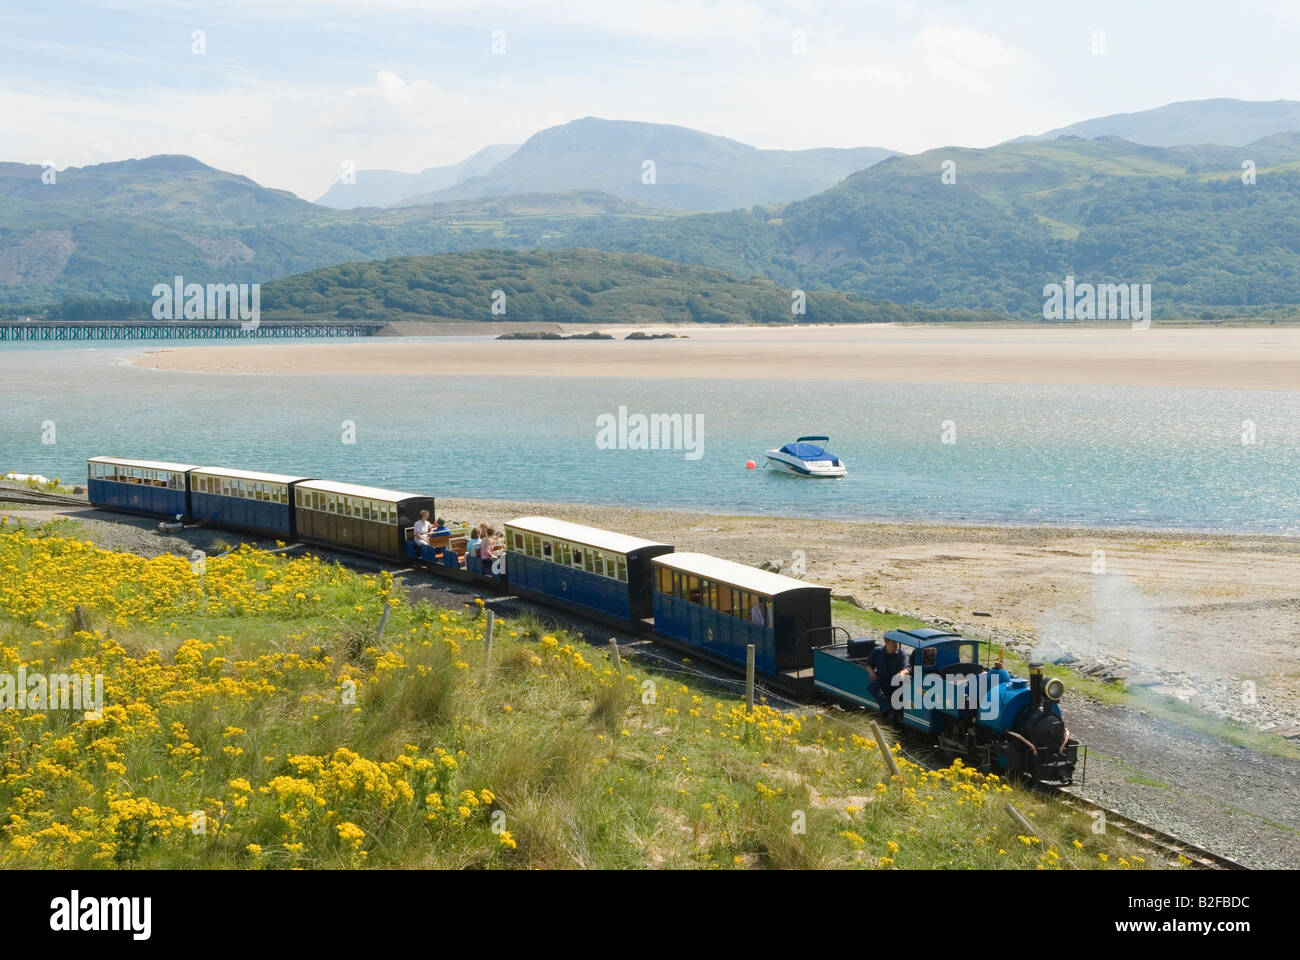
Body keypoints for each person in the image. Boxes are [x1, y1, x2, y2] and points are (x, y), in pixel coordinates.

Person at [865, 636, 911, 716]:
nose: (896, 644)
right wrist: (871, 672)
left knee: (902, 690)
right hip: (882, 679)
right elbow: (868, 664)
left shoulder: (901, 654)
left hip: (895, 681)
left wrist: (902, 673)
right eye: (894, 642)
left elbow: (908, 668)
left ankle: (898, 712)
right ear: (887, 643)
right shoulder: (877, 651)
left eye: (897, 642)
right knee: (871, 687)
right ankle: (887, 708)